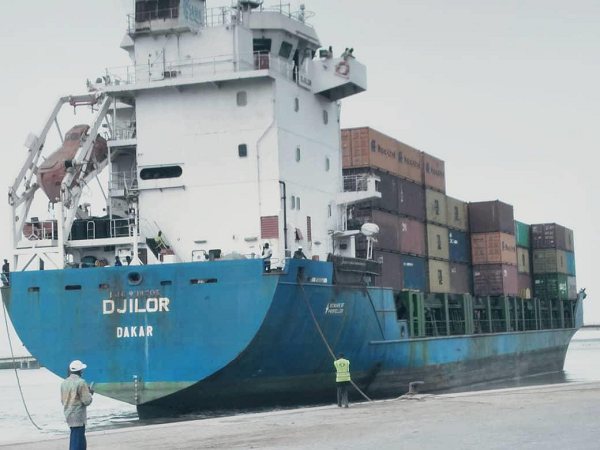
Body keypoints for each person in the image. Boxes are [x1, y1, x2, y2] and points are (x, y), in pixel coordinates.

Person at [61, 360, 94, 450]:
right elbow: (87, 401)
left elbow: (63, 400)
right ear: (80, 371)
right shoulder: (81, 382)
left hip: (68, 414)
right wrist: (90, 393)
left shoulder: (64, 382)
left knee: (75, 438)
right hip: (78, 416)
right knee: (78, 441)